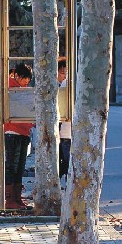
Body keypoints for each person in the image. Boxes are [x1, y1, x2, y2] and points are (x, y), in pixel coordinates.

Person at [4, 63, 34, 210]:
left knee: (20, 167)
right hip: (13, 132)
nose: (26, 82)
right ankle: (9, 200)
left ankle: (16, 198)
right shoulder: (11, 88)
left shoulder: (23, 90)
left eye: (28, 80)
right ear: (18, 76)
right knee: (12, 167)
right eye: (25, 79)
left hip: (23, 131)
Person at [57, 58, 72, 187]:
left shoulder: (68, 85)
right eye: (62, 72)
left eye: (66, 72)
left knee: (66, 161)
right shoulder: (54, 86)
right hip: (59, 131)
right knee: (62, 160)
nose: (65, 75)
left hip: (66, 131)